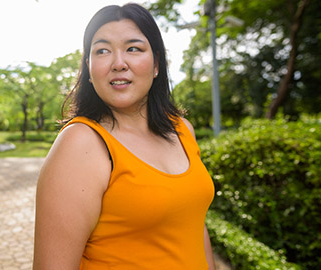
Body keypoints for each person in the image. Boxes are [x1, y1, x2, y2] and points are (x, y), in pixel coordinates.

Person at [33, 3, 216, 269]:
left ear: (156, 64)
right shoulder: (81, 143)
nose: (119, 63)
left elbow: (195, 225)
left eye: (133, 48)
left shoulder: (182, 129)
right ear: (89, 69)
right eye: (103, 51)